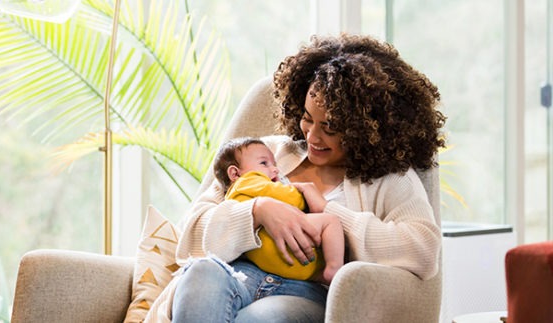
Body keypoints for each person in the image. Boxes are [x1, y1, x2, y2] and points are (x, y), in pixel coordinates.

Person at [170, 33, 446, 323]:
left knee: (257, 320)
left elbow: (423, 250)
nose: (312, 136)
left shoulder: (389, 179)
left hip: (307, 294)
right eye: (307, 118)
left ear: (365, 128)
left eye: (330, 127)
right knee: (200, 273)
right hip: (238, 277)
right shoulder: (266, 152)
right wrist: (258, 211)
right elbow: (190, 234)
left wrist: (329, 213)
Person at [212, 136, 345, 284]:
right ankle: (334, 269)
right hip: (283, 251)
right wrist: (303, 191)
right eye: (264, 163)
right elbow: (291, 199)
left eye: (274, 163)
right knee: (330, 221)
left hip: (271, 263)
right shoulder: (248, 181)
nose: (275, 169)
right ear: (235, 174)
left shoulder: (234, 197)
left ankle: (319, 274)